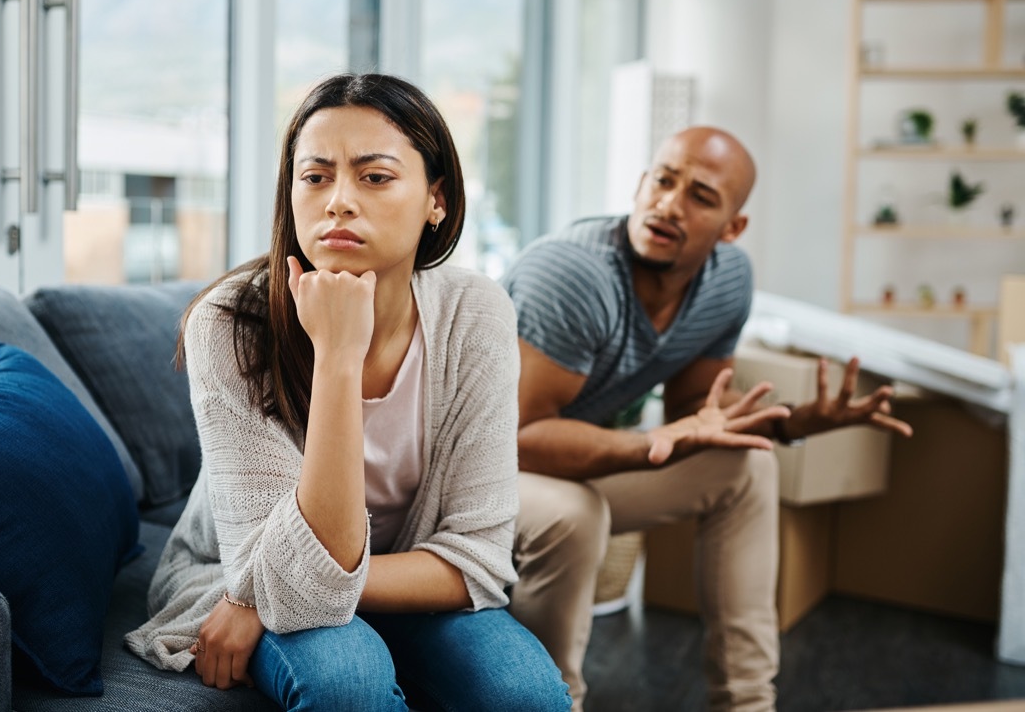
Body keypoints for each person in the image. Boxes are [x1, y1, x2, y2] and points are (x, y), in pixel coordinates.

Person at [124, 73, 570, 711]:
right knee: (346, 681)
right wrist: (337, 355)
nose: (338, 201)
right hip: (231, 575)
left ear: (435, 199)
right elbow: (263, 569)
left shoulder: (477, 313)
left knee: (525, 696)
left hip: (331, 587)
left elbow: (478, 559)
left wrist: (286, 592)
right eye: (315, 176)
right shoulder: (226, 323)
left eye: (375, 176)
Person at [500, 126, 913, 712]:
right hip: (471, 476)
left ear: (732, 228)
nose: (670, 204)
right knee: (576, 514)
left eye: (700, 196)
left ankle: (746, 703)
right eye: (663, 181)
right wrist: (649, 446)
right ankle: (551, 702)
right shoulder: (573, 275)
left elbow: (698, 417)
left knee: (745, 467)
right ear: (643, 184)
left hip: (568, 460)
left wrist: (790, 425)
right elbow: (518, 440)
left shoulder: (726, 283)